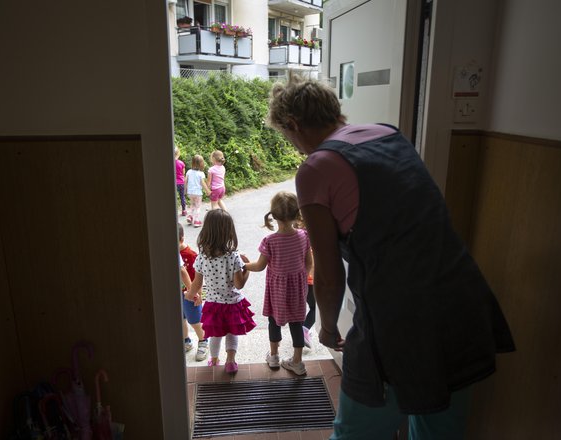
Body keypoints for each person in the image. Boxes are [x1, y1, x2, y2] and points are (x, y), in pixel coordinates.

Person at [267, 76, 515, 439]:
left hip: (400, 321)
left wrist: (329, 326)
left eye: (288, 137)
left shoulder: (316, 168)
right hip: (462, 300)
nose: (295, 146)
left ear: (293, 125)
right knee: (439, 428)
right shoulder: (387, 133)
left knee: (357, 432)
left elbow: (328, 273)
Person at [242, 191, 312, 376]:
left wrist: (243, 264)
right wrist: (300, 278)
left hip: (277, 289)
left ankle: (273, 357)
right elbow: (309, 264)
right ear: (297, 213)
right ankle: (297, 362)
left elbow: (259, 266)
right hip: (298, 287)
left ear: (273, 215)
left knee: (274, 320)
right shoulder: (304, 236)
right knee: (297, 322)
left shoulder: (270, 241)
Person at [188, 209, 255, 374]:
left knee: (215, 334)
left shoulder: (202, 256)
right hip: (233, 303)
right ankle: (231, 361)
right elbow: (239, 285)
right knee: (232, 332)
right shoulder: (233, 256)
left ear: (206, 232)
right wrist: (247, 270)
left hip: (213, 304)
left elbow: (197, 283)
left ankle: (215, 360)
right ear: (228, 232)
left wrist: (190, 295)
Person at [178, 223, 208, 361]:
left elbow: (200, 277)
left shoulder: (191, 255)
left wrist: (200, 295)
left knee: (195, 321)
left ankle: (203, 341)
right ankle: (186, 341)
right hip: (179, 294)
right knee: (181, 319)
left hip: (191, 295)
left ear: (182, 239)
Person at [184, 154, 210, 227]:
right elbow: (203, 184)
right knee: (198, 206)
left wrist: (185, 191)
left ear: (192, 162)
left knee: (192, 204)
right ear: (201, 164)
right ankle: (196, 220)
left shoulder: (188, 172)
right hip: (198, 193)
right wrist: (208, 191)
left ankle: (190, 216)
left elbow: (185, 181)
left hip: (190, 192)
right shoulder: (201, 174)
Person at [174, 146, 187, 217]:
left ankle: (174, 211)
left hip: (174, 183)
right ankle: (184, 210)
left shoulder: (170, 163)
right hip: (181, 182)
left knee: (174, 197)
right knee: (182, 197)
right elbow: (183, 173)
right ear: (178, 154)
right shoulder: (181, 163)